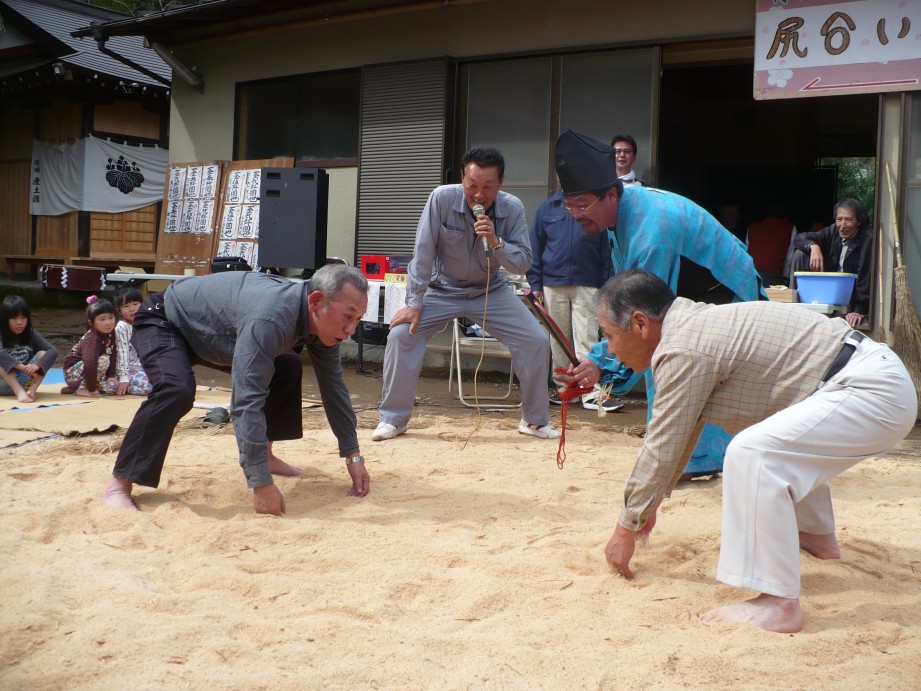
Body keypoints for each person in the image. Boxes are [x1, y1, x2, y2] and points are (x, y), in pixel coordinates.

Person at [592, 269, 916, 633]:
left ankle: (778, 603)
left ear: (640, 324)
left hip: (869, 390)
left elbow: (664, 441)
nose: (611, 349)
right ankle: (816, 538)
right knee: (778, 439)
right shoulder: (693, 328)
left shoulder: (682, 346)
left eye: (609, 335)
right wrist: (647, 506)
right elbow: (683, 431)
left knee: (752, 452)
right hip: (871, 381)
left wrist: (626, 526)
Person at [554, 129, 766, 477]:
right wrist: (599, 361)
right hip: (681, 292)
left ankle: (692, 459)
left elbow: (645, 323)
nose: (575, 215)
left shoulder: (652, 230)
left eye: (581, 205)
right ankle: (684, 455)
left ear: (610, 194)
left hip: (721, 290)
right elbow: (629, 304)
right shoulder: (620, 214)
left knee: (673, 360)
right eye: (570, 205)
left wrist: (601, 366)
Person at [103, 264, 372, 515]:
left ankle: (265, 456)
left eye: (358, 319)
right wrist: (260, 483)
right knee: (176, 388)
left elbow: (333, 386)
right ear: (316, 301)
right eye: (348, 316)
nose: (350, 330)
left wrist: (353, 454)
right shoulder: (273, 318)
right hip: (165, 320)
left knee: (286, 366)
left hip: (216, 334)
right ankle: (120, 483)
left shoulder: (319, 320)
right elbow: (246, 399)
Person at [372, 147, 559, 442]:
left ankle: (534, 421)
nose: (479, 194)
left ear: (501, 183)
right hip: (441, 288)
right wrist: (413, 302)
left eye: (488, 186)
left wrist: (496, 242)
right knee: (400, 336)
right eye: (472, 185)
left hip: (490, 290)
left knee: (535, 341)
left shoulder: (513, 208)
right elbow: (422, 252)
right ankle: (394, 419)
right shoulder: (441, 198)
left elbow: (523, 262)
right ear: (462, 178)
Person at [526, 190, 620, 412]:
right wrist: (536, 284)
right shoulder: (547, 207)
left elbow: (606, 248)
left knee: (586, 334)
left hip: (587, 281)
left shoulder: (593, 205)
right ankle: (565, 389)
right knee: (558, 338)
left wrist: (606, 285)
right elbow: (535, 247)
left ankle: (590, 390)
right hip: (551, 282)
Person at [789, 198, 872, 328]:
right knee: (800, 254)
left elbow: (865, 276)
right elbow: (801, 238)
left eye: (848, 219)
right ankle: (796, 301)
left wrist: (859, 310)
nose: (843, 225)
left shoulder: (867, 238)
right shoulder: (833, 231)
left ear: (859, 222)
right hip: (828, 292)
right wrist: (814, 247)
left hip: (850, 298)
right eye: (839, 219)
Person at [0, 295, 58, 403]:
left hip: (25, 379)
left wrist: (36, 366)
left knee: (43, 354)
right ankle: (18, 391)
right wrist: (22, 367)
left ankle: (32, 390)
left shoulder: (30, 333)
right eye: (14, 318)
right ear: (5, 319)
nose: (19, 322)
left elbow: (53, 351)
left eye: (23, 318)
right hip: (3, 383)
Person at [61, 295, 119, 397]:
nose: (108, 322)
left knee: (113, 390)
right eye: (102, 319)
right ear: (91, 322)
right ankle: (82, 388)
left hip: (90, 373)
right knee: (104, 360)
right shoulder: (92, 339)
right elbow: (90, 364)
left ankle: (74, 388)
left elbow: (113, 353)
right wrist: (92, 389)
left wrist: (111, 376)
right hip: (73, 374)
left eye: (111, 317)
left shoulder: (111, 333)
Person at [746, 202, 797, 287]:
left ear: (766, 216)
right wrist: (785, 279)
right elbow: (789, 259)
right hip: (774, 278)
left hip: (751, 276)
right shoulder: (790, 227)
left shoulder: (752, 227)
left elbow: (747, 251)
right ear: (786, 217)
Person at [113, 286, 152, 396]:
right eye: (126, 306)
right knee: (151, 387)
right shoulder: (122, 327)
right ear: (119, 311)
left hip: (145, 368)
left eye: (135, 304)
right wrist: (123, 377)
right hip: (129, 370)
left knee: (168, 383)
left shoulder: (146, 323)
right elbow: (122, 352)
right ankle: (121, 387)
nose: (132, 309)